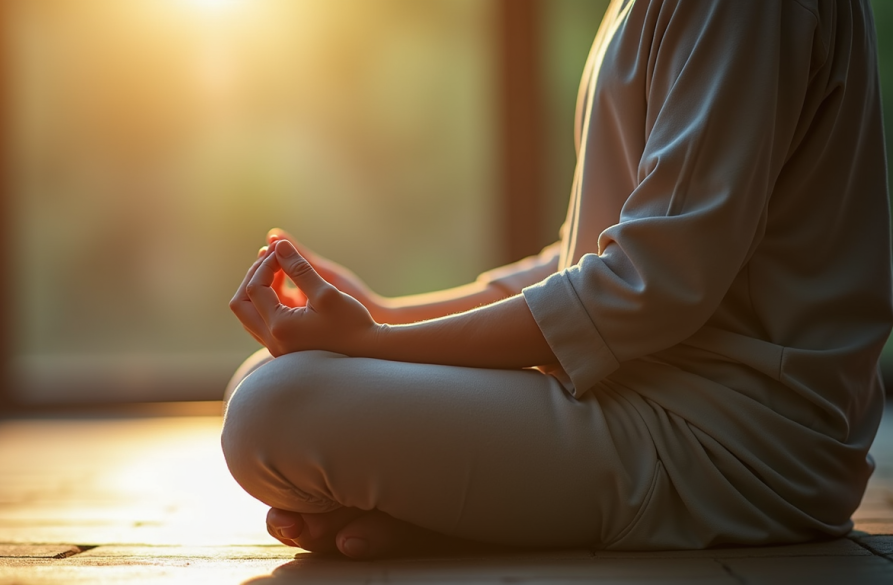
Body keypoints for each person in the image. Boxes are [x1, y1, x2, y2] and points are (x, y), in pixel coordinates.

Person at [222, 0, 893, 560]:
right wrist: (385, 313)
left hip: (733, 445)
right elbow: (586, 262)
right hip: (637, 388)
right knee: (261, 374)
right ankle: (469, 519)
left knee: (272, 408)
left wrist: (374, 342)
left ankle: (467, 520)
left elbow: (648, 286)